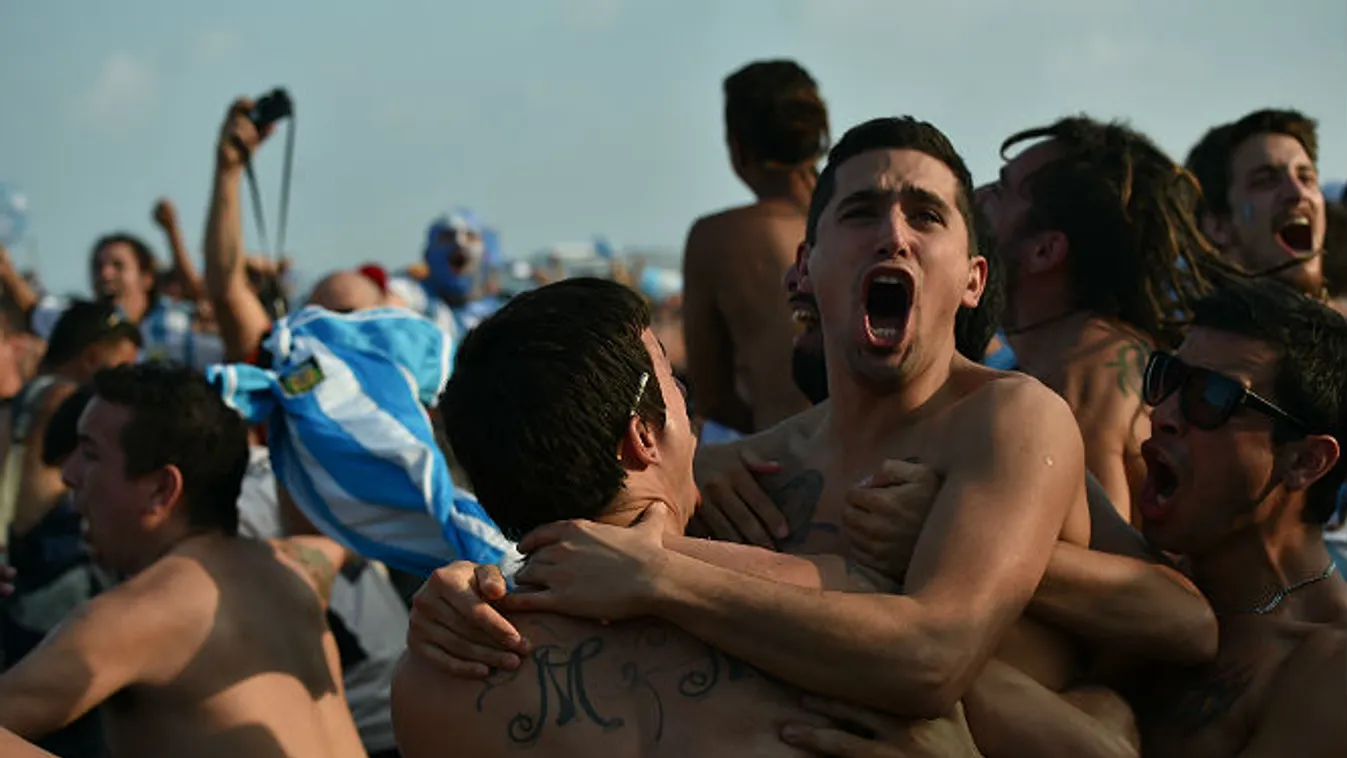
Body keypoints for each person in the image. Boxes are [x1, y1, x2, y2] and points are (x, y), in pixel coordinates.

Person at [405, 119, 1196, 757]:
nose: (893, 235)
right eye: (860, 213)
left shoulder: (1011, 420)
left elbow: (1187, 625)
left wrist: (987, 549)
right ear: (805, 266)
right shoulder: (739, 473)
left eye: (925, 215)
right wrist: (471, 592)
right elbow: (604, 524)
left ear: (973, 278)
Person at [392, 277, 981, 757]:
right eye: (673, 380)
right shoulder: (836, 604)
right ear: (644, 435)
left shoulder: (438, 672)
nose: (687, 400)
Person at [0, 363, 366, 758]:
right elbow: (335, 544)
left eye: (90, 454)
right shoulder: (296, 569)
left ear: (162, 489)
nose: (69, 475)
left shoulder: (132, 618)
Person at [1131, 279, 1346, 757]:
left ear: (1305, 461)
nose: (1162, 413)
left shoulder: (1328, 668)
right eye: (1167, 376)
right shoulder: (1143, 581)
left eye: (1210, 396)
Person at [978, 116, 1219, 523]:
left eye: (1000, 190)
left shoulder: (1086, 373)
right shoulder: (1070, 351)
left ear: (1044, 251)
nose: (977, 195)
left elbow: (1110, 563)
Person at [683, 60, 829, 440]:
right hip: (889, 453)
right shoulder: (868, 214)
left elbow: (712, 396)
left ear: (738, 149)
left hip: (787, 460)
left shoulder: (715, 238)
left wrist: (774, 432)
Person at [1186, 109, 1328, 299]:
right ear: (1218, 227)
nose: (1298, 193)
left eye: (1306, 178)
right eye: (1266, 180)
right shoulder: (1189, 327)